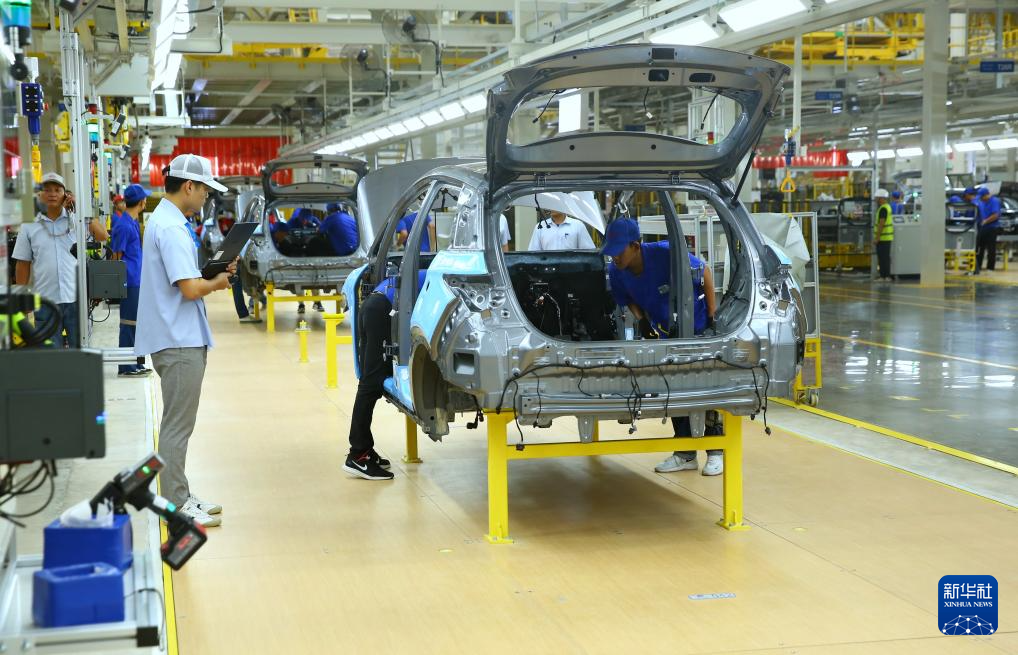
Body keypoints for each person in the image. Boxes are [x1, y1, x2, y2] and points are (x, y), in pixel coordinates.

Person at [134, 154, 234, 528]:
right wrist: (218, 282)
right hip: (177, 340)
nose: (207, 195)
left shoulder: (165, 220)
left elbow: (185, 279)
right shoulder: (172, 228)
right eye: (205, 188)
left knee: (179, 422)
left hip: (176, 335)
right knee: (177, 424)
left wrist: (212, 272)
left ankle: (179, 491)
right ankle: (174, 503)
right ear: (189, 186)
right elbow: (190, 289)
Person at [600, 218, 723, 476]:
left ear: (635, 245)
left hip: (696, 328)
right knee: (674, 390)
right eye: (610, 251)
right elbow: (627, 298)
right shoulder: (617, 271)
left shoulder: (666, 253)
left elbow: (706, 273)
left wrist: (713, 317)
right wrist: (642, 320)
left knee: (703, 388)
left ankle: (716, 450)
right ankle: (685, 453)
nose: (614, 257)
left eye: (618, 250)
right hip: (666, 334)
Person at [344, 269, 428, 481]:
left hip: (374, 306)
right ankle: (358, 455)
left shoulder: (434, 269)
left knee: (369, 382)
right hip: (380, 311)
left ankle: (364, 449)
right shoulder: (451, 277)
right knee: (370, 385)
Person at [12, 172, 108, 348]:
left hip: (76, 299)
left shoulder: (77, 220)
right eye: (47, 190)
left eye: (57, 189)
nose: (52, 194)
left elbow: (102, 236)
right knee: (50, 353)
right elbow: (22, 264)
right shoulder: (29, 225)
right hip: (45, 301)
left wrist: (81, 210)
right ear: (39, 194)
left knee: (80, 351)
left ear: (66, 194)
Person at [111, 184, 151, 376]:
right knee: (128, 323)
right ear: (142, 202)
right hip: (129, 281)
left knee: (136, 322)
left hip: (137, 279)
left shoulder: (132, 222)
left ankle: (135, 362)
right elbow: (116, 257)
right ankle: (125, 366)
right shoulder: (124, 225)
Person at [527, 210, 596, 251]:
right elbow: (533, 253)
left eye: (555, 203)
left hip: (572, 271)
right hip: (547, 272)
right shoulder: (540, 227)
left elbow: (589, 251)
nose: (552, 207)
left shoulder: (577, 225)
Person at [974, 187, 1001, 274]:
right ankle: (978, 267)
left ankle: (990, 268)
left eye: (982, 197)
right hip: (983, 228)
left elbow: (995, 215)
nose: (981, 198)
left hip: (992, 228)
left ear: (986, 195)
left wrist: (985, 221)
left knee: (991, 248)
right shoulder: (982, 202)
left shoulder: (994, 201)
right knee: (979, 248)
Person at [872, 188, 894, 281]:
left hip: (883, 238)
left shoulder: (883, 209)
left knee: (883, 258)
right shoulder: (887, 207)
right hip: (886, 237)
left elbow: (881, 224)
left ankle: (884, 276)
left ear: (881, 198)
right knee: (885, 257)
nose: (876, 199)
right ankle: (885, 276)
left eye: (877, 197)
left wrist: (877, 238)